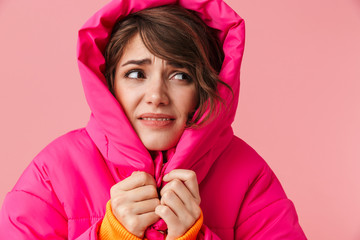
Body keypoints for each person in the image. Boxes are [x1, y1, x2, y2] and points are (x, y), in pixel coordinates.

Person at [0, 0, 307, 239]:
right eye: (136, 74)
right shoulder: (52, 173)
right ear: (109, 85)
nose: (157, 95)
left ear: (203, 88)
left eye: (180, 75)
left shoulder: (250, 177)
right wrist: (109, 236)